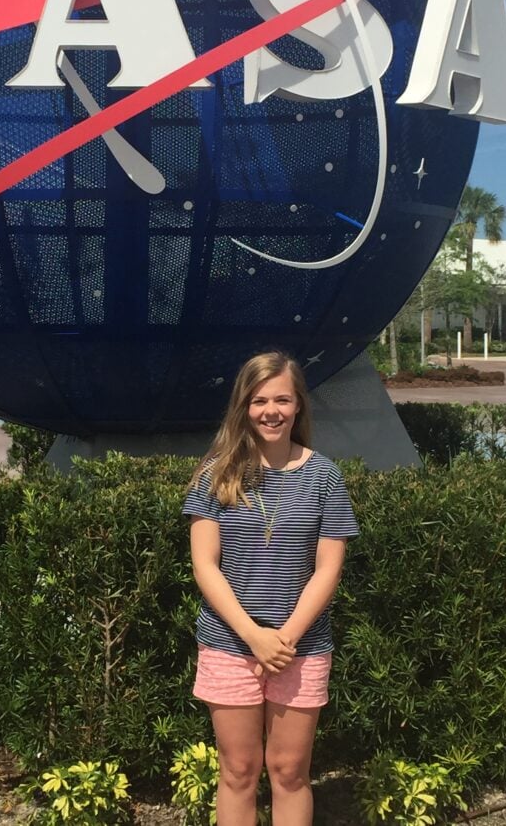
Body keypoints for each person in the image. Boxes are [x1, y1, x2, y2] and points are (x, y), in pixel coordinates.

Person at [182, 350, 359, 825]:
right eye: (259, 400)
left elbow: (328, 569)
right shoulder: (215, 474)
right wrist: (254, 637)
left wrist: (284, 639)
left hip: (300, 648)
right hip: (228, 644)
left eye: (283, 399)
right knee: (238, 771)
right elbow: (205, 566)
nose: (271, 411)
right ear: (244, 406)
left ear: (299, 404)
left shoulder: (324, 476)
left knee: (289, 770)